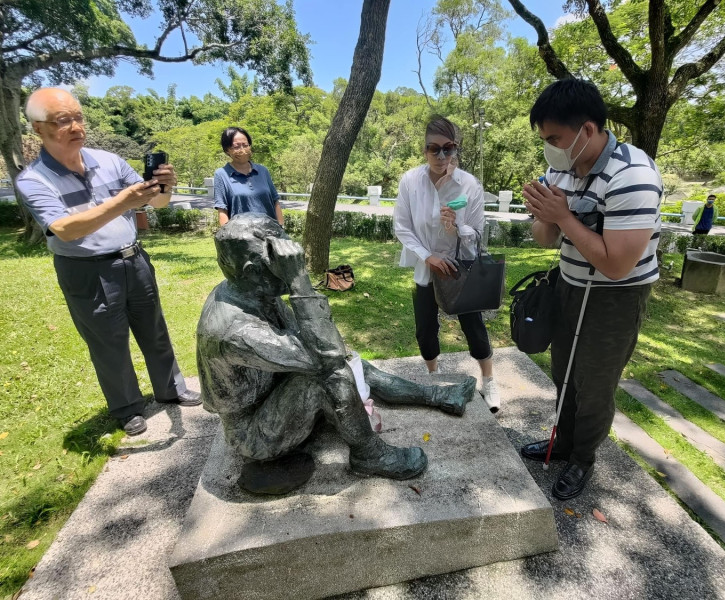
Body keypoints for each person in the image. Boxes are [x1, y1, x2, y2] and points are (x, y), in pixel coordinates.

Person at [197, 213, 477, 492]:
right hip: (255, 435)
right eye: (280, 262)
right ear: (252, 271)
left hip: (274, 390)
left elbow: (322, 344)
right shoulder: (232, 331)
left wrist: (333, 350)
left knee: (351, 362)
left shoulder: (252, 292)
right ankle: (368, 454)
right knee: (330, 376)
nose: (293, 265)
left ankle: (439, 396)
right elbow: (325, 358)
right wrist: (299, 283)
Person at [16, 88, 201, 437]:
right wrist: (122, 202)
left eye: (79, 117)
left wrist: (164, 188)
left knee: (155, 330)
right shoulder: (33, 179)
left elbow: (153, 204)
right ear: (38, 128)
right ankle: (127, 407)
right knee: (107, 341)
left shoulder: (110, 161)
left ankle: (171, 389)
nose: (75, 126)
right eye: (63, 120)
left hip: (134, 259)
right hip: (87, 271)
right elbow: (64, 230)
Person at [520, 79, 662, 500]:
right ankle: (561, 442)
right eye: (544, 139)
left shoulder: (633, 175)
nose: (549, 148)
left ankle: (582, 458)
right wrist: (544, 214)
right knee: (563, 373)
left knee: (595, 383)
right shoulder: (561, 168)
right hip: (569, 284)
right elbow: (544, 240)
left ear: (586, 130)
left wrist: (564, 217)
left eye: (554, 138)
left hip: (614, 298)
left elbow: (618, 265)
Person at [393, 116, 501, 413]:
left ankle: (489, 380)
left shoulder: (469, 184)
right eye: (434, 149)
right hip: (426, 264)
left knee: (473, 325)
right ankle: (433, 377)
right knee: (425, 328)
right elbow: (402, 226)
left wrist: (457, 228)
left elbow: (477, 233)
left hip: (460, 266)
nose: (441, 156)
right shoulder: (410, 181)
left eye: (448, 148)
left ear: (456, 149)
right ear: (424, 150)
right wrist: (427, 256)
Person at [213, 126, 284, 226]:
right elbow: (222, 209)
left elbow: (275, 201)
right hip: (241, 237)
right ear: (227, 150)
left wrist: (281, 226)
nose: (242, 150)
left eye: (245, 145)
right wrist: (227, 236)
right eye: (236, 146)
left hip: (270, 235)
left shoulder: (263, 171)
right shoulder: (222, 174)